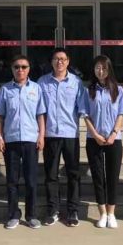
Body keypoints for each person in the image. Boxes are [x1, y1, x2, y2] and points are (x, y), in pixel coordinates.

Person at [0, 54, 46, 230]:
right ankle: (13, 215)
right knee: (12, 181)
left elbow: (40, 114)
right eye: (16, 67)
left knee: (31, 180)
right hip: (11, 140)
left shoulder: (36, 89)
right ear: (12, 69)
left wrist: (41, 136)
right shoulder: (5, 90)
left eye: (24, 67)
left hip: (31, 140)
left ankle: (31, 215)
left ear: (29, 69)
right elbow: (0, 116)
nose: (20, 70)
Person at [37, 48, 86, 227]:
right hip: (50, 134)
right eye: (56, 59)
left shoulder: (76, 82)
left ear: (68, 62)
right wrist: (40, 134)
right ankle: (53, 210)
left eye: (63, 59)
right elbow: (39, 110)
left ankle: (73, 210)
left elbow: (82, 108)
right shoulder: (42, 82)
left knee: (73, 174)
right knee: (51, 174)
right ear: (51, 62)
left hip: (70, 134)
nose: (60, 62)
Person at [82, 55, 123, 229]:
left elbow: (121, 114)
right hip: (94, 139)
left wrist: (114, 133)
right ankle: (102, 213)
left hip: (114, 139)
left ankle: (111, 213)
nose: (100, 71)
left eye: (104, 68)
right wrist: (95, 135)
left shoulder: (118, 90)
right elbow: (85, 115)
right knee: (98, 176)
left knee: (112, 176)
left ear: (109, 69)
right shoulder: (89, 90)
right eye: (97, 68)